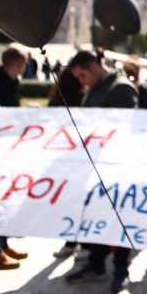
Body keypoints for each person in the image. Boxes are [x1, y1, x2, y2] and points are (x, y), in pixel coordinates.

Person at [64, 50, 138, 292]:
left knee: (119, 219)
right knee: (97, 216)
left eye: (83, 75)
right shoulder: (95, 89)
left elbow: (124, 130)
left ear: (95, 67)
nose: (81, 81)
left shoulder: (120, 88)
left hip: (116, 168)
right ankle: (96, 263)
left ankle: (120, 269)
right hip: (95, 168)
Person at [0, 47, 31, 269]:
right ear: (20, 64)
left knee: (5, 199)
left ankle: (2, 243)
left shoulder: (9, 82)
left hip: (9, 147)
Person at [47, 66, 88, 259]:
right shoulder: (75, 102)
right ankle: (74, 241)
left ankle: (74, 241)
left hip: (72, 160)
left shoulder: (78, 100)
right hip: (73, 160)